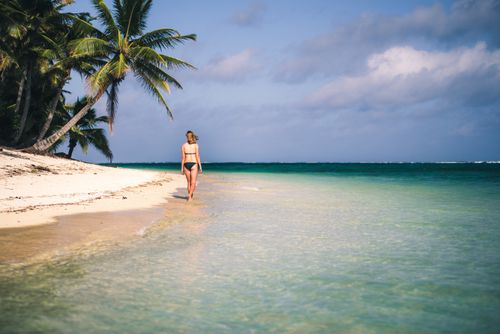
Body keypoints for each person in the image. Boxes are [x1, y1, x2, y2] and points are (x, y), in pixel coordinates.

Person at [181, 130, 202, 201]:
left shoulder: (183, 145)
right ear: (192, 136)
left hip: (186, 164)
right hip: (194, 163)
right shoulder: (196, 145)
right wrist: (200, 167)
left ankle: (190, 195)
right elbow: (198, 156)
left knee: (189, 182)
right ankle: (190, 196)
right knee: (193, 182)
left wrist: (181, 168)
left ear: (187, 137)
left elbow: (183, 158)